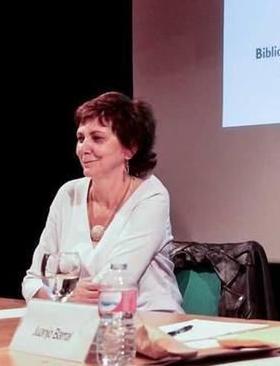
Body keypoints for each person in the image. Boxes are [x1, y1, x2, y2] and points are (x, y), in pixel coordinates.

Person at [22, 91, 183, 312]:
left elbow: (115, 284)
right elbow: (32, 281)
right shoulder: (67, 194)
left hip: (148, 324)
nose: (84, 148)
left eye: (97, 138)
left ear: (130, 148)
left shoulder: (152, 196)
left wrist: (59, 293)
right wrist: (65, 296)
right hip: (79, 323)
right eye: (81, 138)